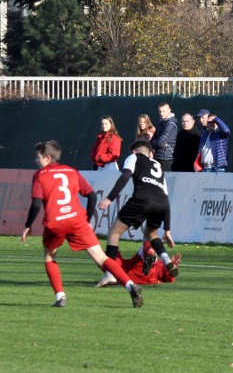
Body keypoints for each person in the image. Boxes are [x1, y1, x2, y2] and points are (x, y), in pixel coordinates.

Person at [22, 141, 143, 308]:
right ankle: (130, 285)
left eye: (38, 158)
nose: (36, 161)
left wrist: (27, 225)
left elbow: (36, 204)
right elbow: (92, 196)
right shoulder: (72, 171)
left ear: (47, 158)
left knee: (50, 256)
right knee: (101, 258)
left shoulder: (41, 175)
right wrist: (86, 219)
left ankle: (60, 296)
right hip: (77, 220)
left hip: (55, 222)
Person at [97, 140, 178, 288]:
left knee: (114, 233)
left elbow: (125, 176)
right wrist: (167, 229)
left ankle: (109, 274)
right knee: (152, 234)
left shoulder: (134, 157)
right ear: (150, 153)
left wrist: (109, 198)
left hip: (142, 199)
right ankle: (166, 259)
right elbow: (165, 196)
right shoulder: (158, 165)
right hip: (162, 203)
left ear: (135, 151)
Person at [150, 102, 178, 171]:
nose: (161, 113)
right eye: (160, 111)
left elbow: (161, 142)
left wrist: (156, 143)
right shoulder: (160, 123)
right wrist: (155, 143)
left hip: (167, 159)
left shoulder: (171, 124)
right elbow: (152, 142)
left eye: (163, 111)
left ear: (169, 110)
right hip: (158, 157)